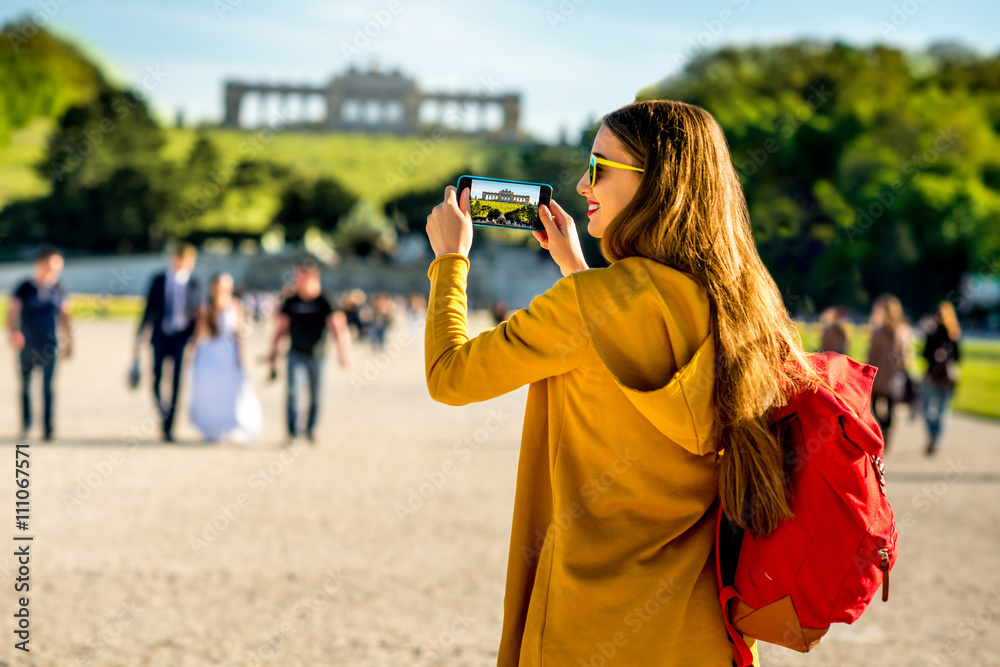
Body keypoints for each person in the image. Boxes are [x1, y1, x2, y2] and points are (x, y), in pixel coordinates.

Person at [422, 100, 821, 666]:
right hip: (702, 634)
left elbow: (450, 376)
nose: (584, 183)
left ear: (656, 184)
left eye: (601, 168)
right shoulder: (748, 311)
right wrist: (575, 269)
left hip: (584, 627)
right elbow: (627, 344)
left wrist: (450, 260)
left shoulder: (587, 308)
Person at [267, 261, 352, 445]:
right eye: (295, 277)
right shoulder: (291, 301)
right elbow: (281, 329)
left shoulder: (325, 300)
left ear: (313, 278)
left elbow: (339, 327)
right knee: (293, 392)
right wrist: (272, 353)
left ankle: (311, 429)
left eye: (300, 278)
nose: (296, 281)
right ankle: (292, 433)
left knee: (315, 395)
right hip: (295, 353)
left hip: (317, 354)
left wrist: (344, 352)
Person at [135, 243, 200, 442]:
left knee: (176, 382)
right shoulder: (159, 280)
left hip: (181, 337)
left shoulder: (193, 283)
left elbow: (196, 313)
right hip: (161, 335)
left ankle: (169, 427)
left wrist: (194, 340)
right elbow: (149, 309)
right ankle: (162, 411)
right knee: (155, 378)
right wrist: (140, 334)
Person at [7, 246, 73, 441]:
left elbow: (65, 315)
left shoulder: (58, 288)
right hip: (27, 344)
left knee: (48, 387)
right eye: (53, 267)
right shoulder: (25, 287)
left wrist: (69, 341)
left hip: (48, 345)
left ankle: (48, 427)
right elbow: (12, 312)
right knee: (25, 386)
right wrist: (13, 332)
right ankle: (26, 425)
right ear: (41, 264)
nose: (55, 272)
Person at [188, 273, 262, 443]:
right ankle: (212, 427)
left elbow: (239, 333)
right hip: (210, 355)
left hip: (228, 354)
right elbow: (199, 336)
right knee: (210, 392)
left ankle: (233, 425)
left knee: (233, 389)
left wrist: (241, 357)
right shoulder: (206, 307)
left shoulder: (236, 305)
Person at [867, 295, 913, 448]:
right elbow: (906, 355)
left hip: (881, 375)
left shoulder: (880, 331)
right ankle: (886, 431)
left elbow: (872, 355)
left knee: (875, 406)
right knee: (890, 407)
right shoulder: (903, 331)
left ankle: (884, 430)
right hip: (893, 376)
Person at [921, 301, 962, 455]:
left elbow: (925, 355)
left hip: (933, 376)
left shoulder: (933, 333)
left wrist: (935, 357)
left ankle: (932, 434)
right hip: (947, 378)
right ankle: (935, 437)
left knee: (927, 407)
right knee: (941, 410)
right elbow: (958, 357)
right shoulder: (953, 334)